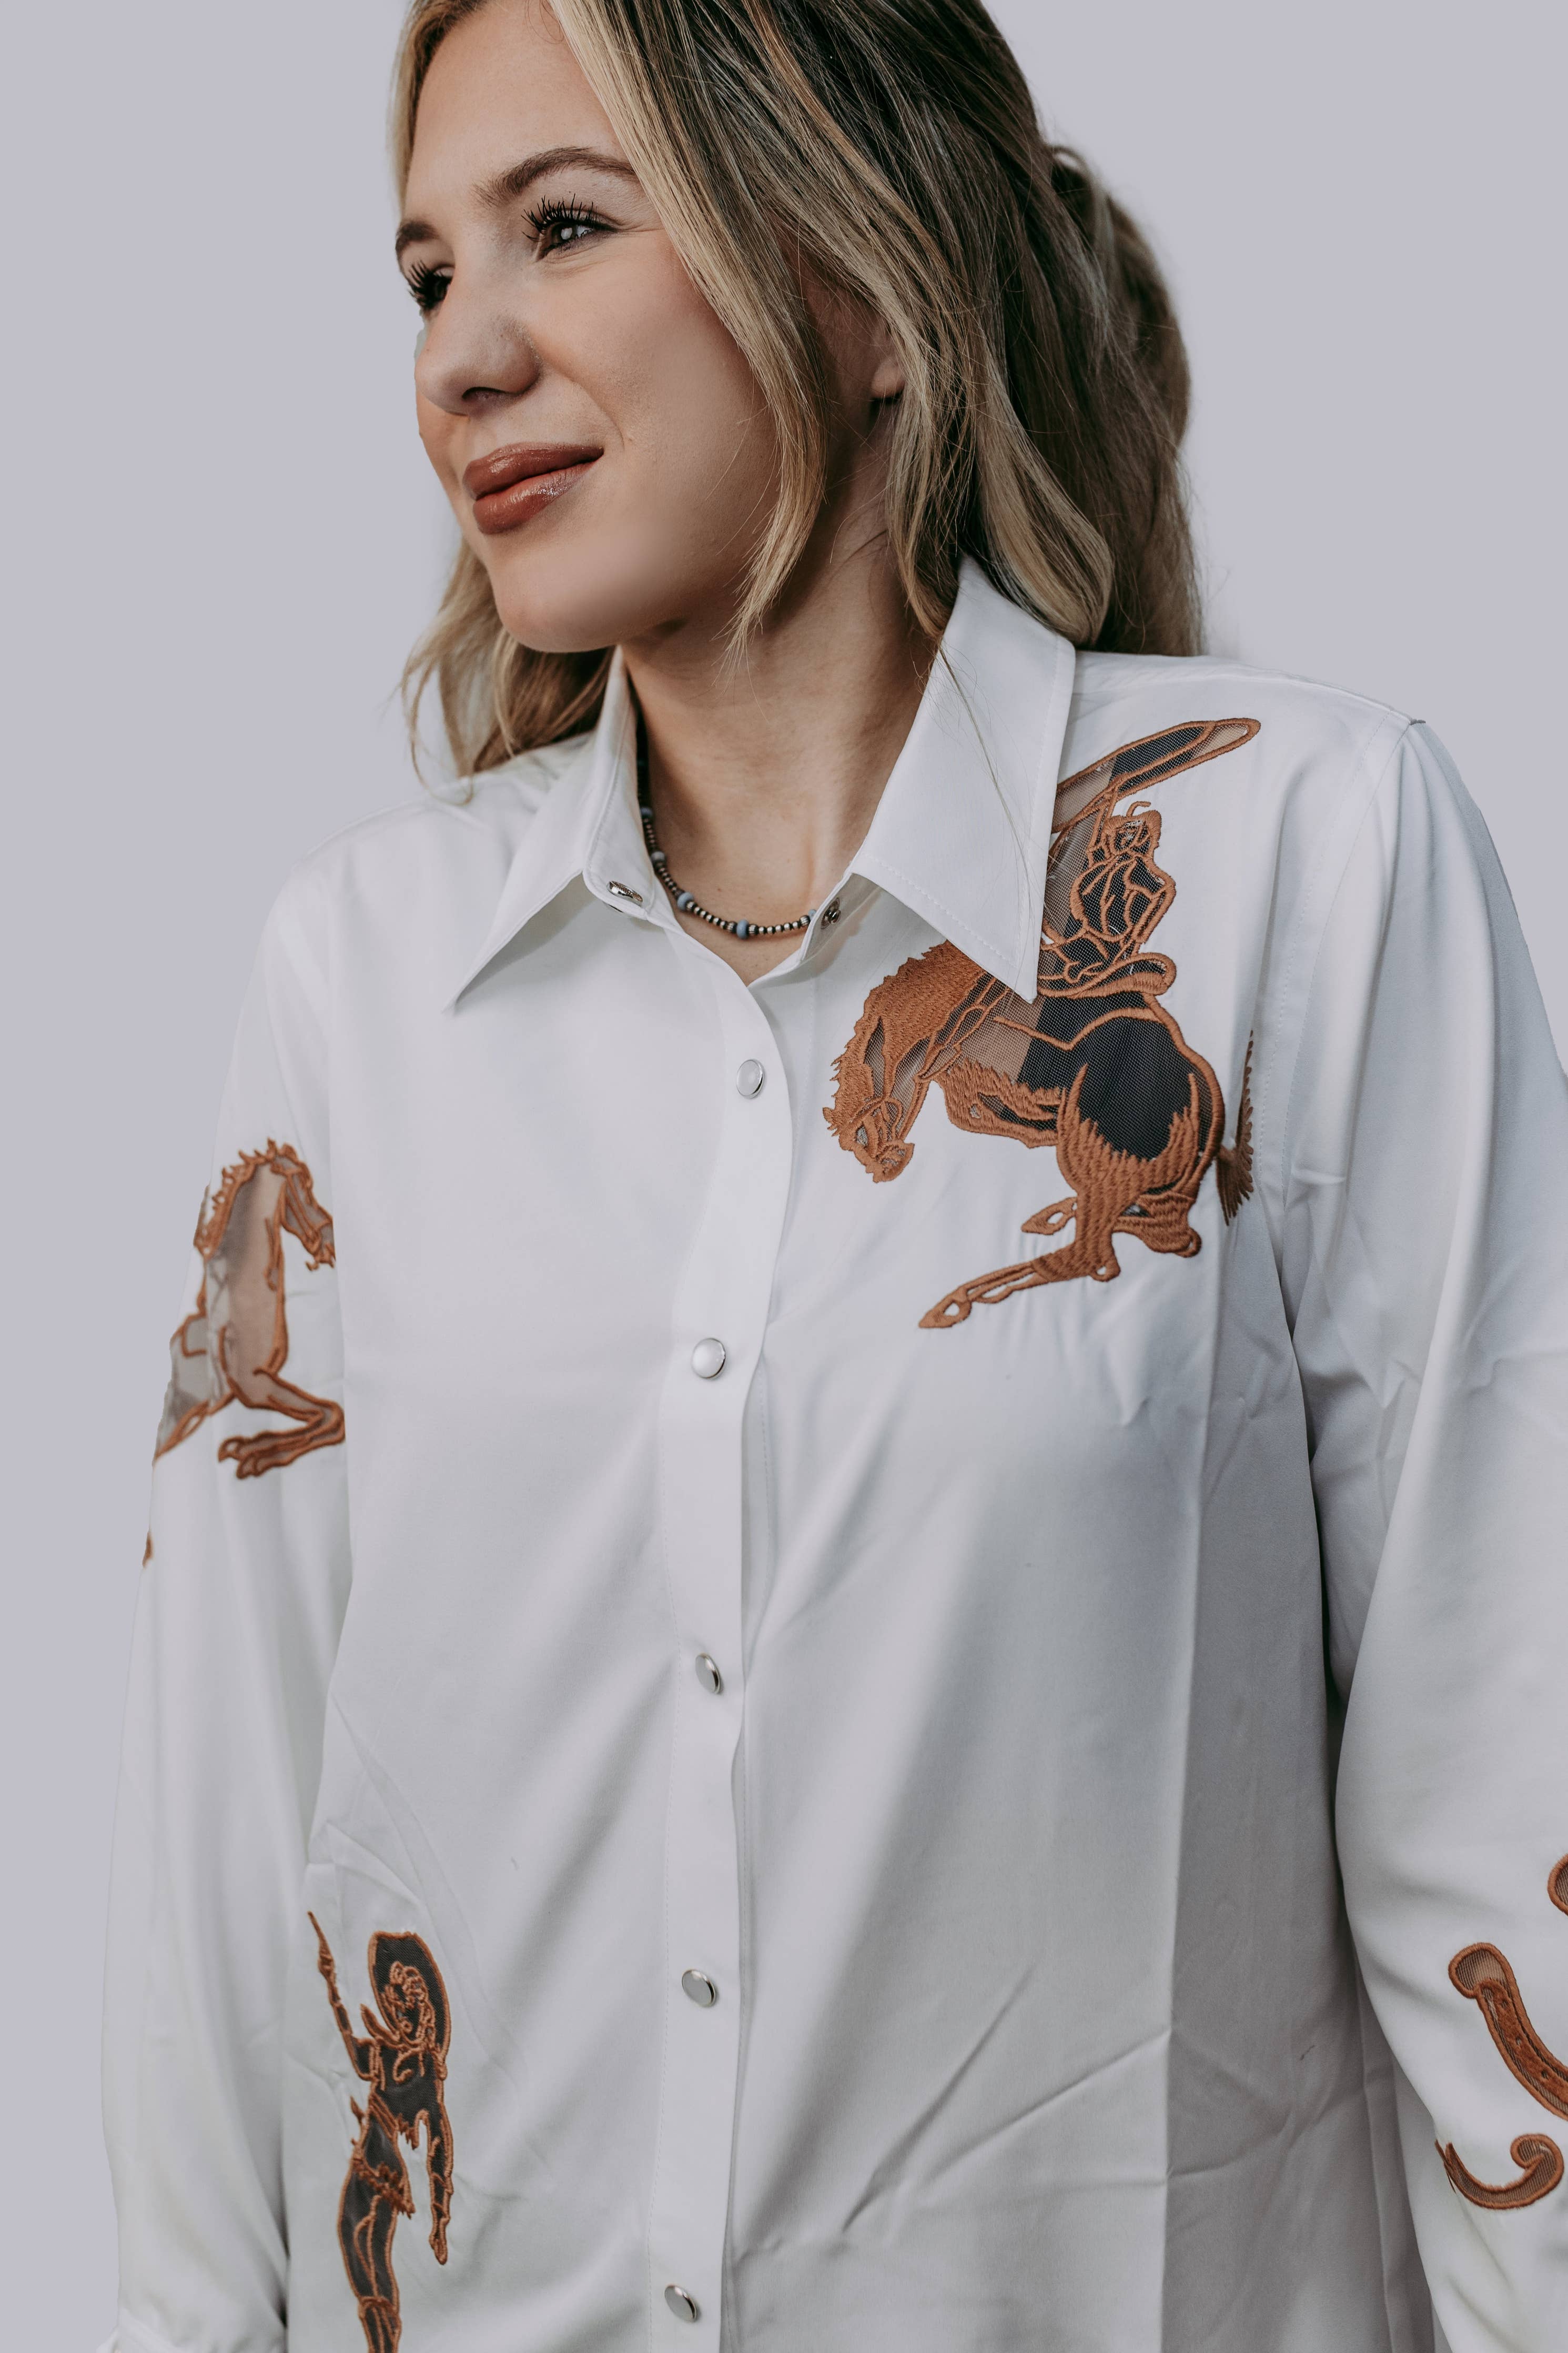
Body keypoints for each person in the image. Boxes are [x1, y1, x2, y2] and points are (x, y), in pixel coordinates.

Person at [100, 0, 1568, 2346]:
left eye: (562, 227)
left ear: (866, 290)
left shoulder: (1312, 858)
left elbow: (1504, 1791)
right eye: (421, 275)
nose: (460, 356)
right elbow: (219, 1871)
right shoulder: (355, 984)